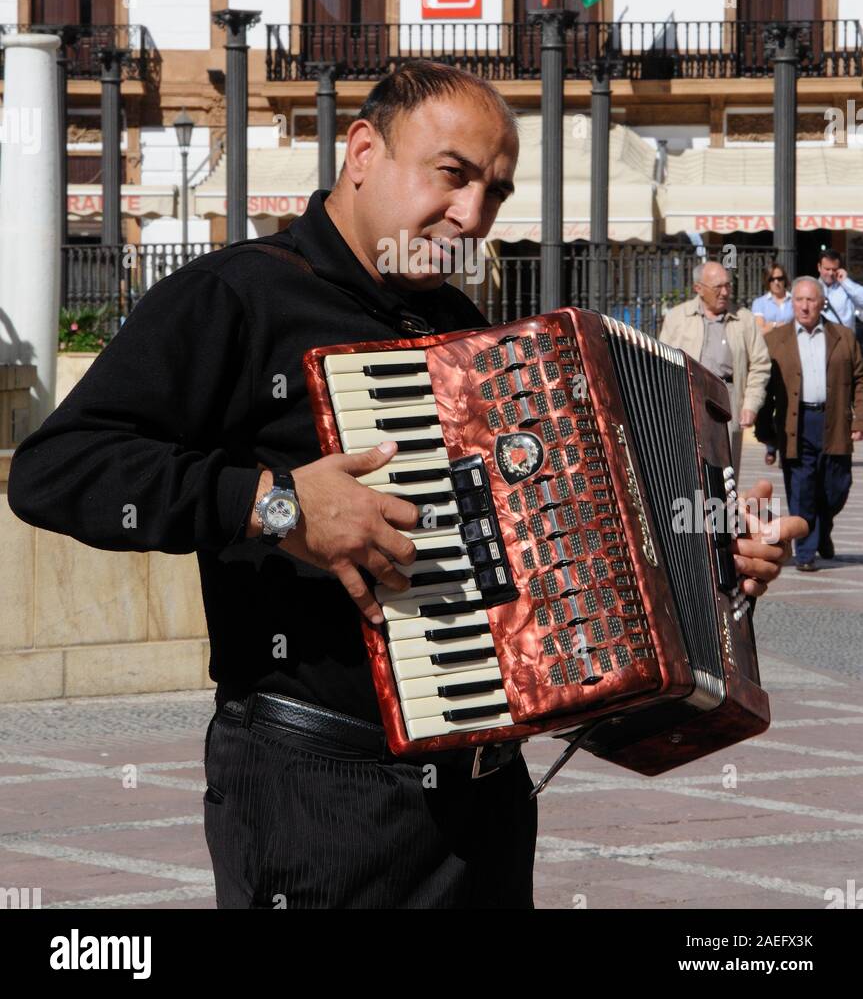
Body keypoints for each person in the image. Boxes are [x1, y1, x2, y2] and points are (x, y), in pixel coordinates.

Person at [8, 64, 798, 911]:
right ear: (360, 153)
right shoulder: (235, 294)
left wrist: (711, 559)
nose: (471, 215)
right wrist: (273, 504)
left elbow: (559, 561)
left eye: (493, 193)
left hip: (485, 795)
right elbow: (58, 470)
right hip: (321, 791)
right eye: (451, 176)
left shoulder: (469, 331)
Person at [755, 276, 863, 570]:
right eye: (799, 300)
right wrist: (766, 434)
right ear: (792, 303)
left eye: (811, 300)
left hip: (833, 421)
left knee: (837, 487)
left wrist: (860, 419)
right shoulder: (775, 340)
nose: (804, 306)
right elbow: (763, 388)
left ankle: (822, 528)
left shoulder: (843, 336)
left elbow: (860, 379)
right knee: (801, 487)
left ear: (821, 303)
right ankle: (806, 552)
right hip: (796, 424)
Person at [659, 260, 771, 477]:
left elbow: (760, 364)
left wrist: (751, 404)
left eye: (728, 285)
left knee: (724, 475)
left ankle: (722, 511)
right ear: (698, 289)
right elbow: (661, 362)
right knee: (686, 471)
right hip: (687, 399)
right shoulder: (677, 318)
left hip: (726, 400)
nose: (724, 292)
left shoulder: (744, 319)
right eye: (718, 287)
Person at [817, 249, 863, 341]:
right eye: (827, 269)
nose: (830, 273)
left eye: (834, 269)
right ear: (819, 267)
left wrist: (846, 282)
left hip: (846, 343)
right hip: (820, 343)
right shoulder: (811, 288)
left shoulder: (847, 288)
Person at [751, 264, 793, 333]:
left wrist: (769, 325)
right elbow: (759, 331)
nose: (776, 282)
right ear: (767, 281)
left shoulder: (794, 300)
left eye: (779, 279)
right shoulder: (759, 303)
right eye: (772, 279)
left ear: (784, 280)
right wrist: (775, 325)